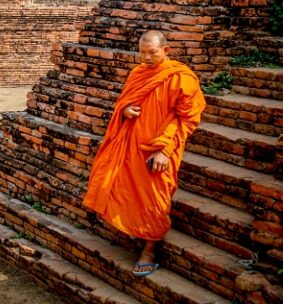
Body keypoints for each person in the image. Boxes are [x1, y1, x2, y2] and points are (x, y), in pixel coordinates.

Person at [82, 30, 206, 277]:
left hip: (159, 149)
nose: (147, 57)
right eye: (143, 53)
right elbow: (123, 103)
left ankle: (149, 251)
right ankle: (132, 232)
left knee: (154, 200)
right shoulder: (138, 73)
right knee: (117, 186)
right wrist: (125, 110)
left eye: (153, 52)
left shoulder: (181, 78)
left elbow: (187, 120)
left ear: (166, 50)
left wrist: (164, 150)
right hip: (131, 145)